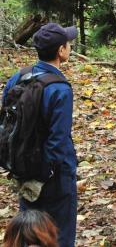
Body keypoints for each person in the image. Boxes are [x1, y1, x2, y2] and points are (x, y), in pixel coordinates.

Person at [2, 23, 78, 247]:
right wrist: (50, 174)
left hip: (23, 168)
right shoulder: (60, 88)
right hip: (54, 176)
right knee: (59, 234)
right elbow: (59, 139)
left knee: (29, 233)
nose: (70, 46)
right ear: (61, 51)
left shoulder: (17, 78)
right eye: (68, 43)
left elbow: (6, 124)